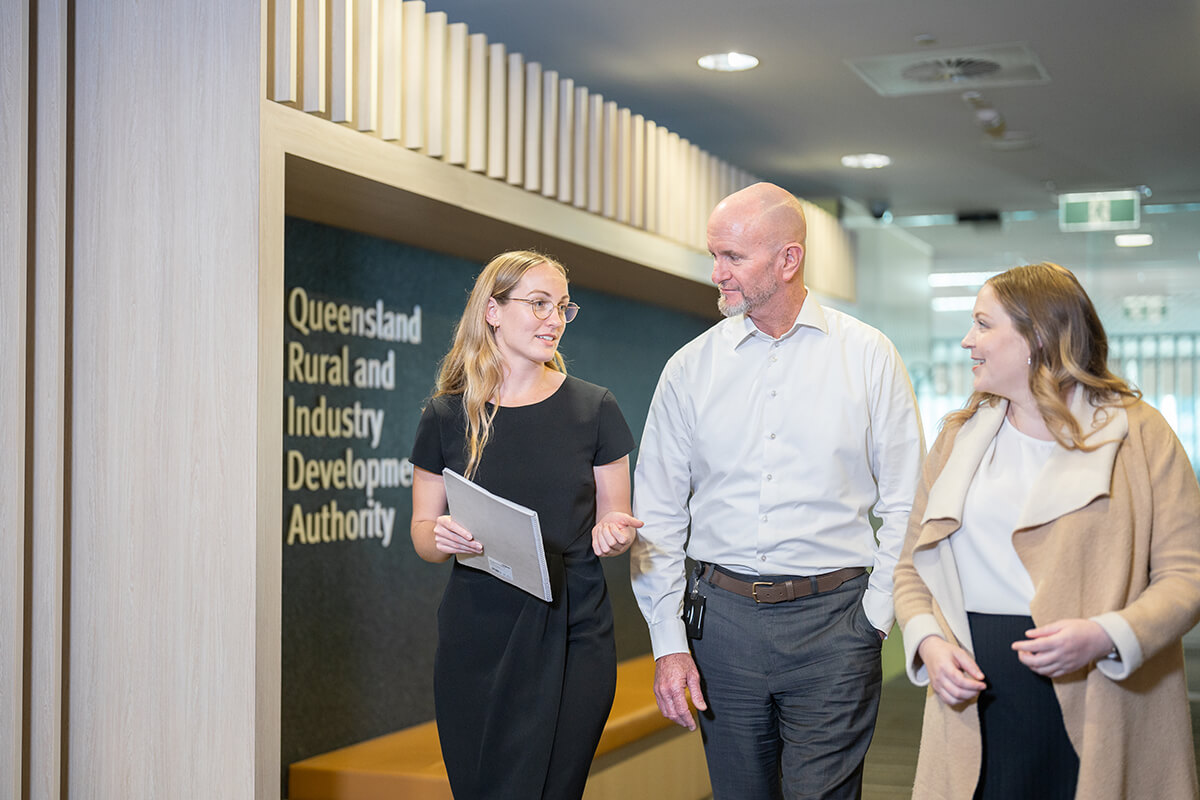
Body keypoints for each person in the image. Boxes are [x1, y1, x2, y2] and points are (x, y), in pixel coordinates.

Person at [630, 182, 925, 799]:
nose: (717, 273)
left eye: (733, 257)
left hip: (836, 625)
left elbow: (907, 501)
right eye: (714, 255)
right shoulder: (689, 368)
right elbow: (656, 514)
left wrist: (875, 617)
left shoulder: (869, 356)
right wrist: (668, 645)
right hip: (721, 625)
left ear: (788, 260)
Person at [893, 262, 1200, 799]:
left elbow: (1186, 575)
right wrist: (929, 644)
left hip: (1102, 688)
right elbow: (911, 567)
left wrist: (1108, 635)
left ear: (1037, 337)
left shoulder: (1140, 435)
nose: (968, 341)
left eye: (984, 325)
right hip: (972, 692)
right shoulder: (958, 440)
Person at [409, 250, 642, 800]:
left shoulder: (595, 409)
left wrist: (614, 531)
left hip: (573, 627)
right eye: (538, 304)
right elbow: (422, 532)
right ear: (492, 310)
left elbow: (616, 515)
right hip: (478, 634)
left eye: (562, 307)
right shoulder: (446, 416)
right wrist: (438, 537)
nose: (554, 319)